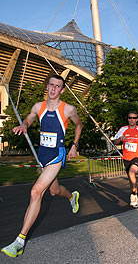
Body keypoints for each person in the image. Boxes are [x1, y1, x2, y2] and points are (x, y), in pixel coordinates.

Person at [1, 74, 82, 258]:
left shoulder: (68, 109)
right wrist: (24, 125)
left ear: (62, 90)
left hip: (57, 154)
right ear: (47, 87)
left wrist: (74, 145)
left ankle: (19, 241)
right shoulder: (39, 106)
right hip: (43, 154)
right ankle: (72, 196)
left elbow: (79, 125)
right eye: (51, 85)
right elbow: (29, 118)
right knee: (54, 191)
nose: (53, 89)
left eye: (57, 86)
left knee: (36, 192)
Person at [113, 111, 138, 208]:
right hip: (126, 157)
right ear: (128, 119)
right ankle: (136, 195)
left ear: (137, 119)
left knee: (132, 173)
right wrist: (120, 139)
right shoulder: (123, 129)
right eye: (130, 118)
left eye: (134, 118)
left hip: (137, 156)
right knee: (130, 178)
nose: (131, 119)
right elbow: (115, 142)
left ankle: (133, 196)